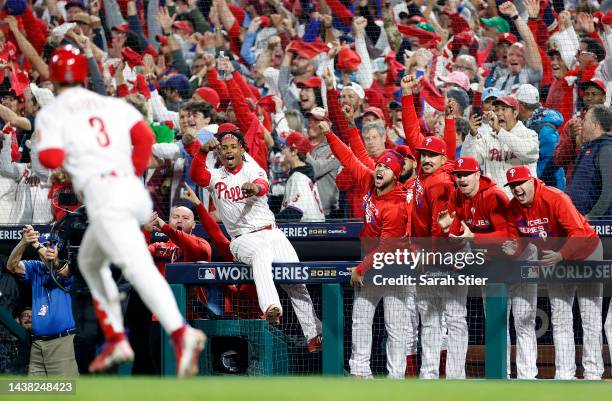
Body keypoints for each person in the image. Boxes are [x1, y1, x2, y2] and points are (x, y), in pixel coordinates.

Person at [33, 45, 205, 377]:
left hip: (108, 198)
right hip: (128, 191)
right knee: (90, 262)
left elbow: (52, 161)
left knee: (138, 268)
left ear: (54, 80)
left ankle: (182, 334)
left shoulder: (54, 113)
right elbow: (143, 136)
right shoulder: (109, 104)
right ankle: (116, 338)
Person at [189, 127, 323, 351]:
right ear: (220, 153)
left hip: (272, 232)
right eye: (224, 148)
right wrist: (202, 152)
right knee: (261, 253)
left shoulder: (252, 168)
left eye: (233, 147)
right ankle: (271, 307)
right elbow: (196, 176)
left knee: (297, 282)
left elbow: (263, 186)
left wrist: (254, 188)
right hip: (242, 238)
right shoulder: (215, 176)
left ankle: (314, 335)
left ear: (242, 149)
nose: (229, 151)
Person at [323, 124, 410, 379]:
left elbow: (386, 248)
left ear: (395, 175)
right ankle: (360, 371)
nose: (380, 169)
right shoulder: (370, 182)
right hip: (373, 260)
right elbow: (348, 157)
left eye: (386, 167)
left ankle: (396, 377)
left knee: (395, 326)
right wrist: (329, 131)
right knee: (361, 317)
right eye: (379, 165)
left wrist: (361, 268)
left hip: (395, 266)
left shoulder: (396, 205)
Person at [502, 165, 605, 380]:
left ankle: (593, 374)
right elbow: (518, 242)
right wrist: (513, 250)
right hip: (555, 259)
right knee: (560, 316)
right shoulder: (513, 208)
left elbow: (579, 232)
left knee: (590, 317)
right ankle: (565, 375)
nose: (516, 189)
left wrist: (561, 255)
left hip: (586, 252)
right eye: (512, 186)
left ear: (531, 181)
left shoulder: (555, 198)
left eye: (520, 183)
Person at [7, 227, 78, 376]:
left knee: (64, 394)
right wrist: (24, 242)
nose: (47, 249)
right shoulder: (35, 267)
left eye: (50, 246)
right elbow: (11, 266)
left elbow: (57, 266)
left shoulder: (67, 269)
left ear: (59, 249)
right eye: (44, 245)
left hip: (62, 343)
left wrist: (36, 245)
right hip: (37, 344)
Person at [461, 95, 539, 197]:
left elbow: (530, 154)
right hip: (494, 200)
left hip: (521, 200)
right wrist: (472, 136)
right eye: (496, 109)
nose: (499, 113)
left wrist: (500, 131)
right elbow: (468, 162)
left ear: (515, 113)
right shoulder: (487, 138)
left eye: (504, 109)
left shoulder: (528, 134)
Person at [515, 84, 565, 190]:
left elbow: (550, 163)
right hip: (535, 184)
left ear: (522, 105)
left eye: (516, 104)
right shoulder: (527, 123)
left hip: (550, 186)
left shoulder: (546, 129)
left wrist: (527, 176)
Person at [277, 132, 325, 222]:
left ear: (294, 151)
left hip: (309, 231)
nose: (283, 150)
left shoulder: (299, 177)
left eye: (285, 147)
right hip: (312, 229)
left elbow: (294, 213)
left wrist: (272, 222)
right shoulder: (302, 174)